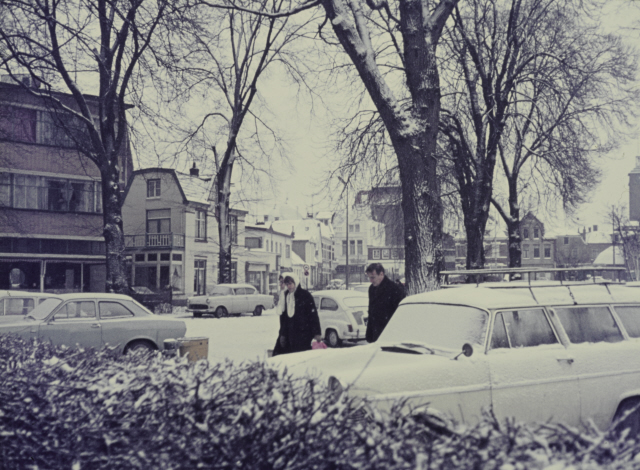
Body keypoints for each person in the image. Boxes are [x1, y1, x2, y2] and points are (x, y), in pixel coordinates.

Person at [274, 272, 322, 355]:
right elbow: (285, 319)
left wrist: (316, 333)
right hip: (290, 335)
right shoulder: (286, 296)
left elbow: (313, 316)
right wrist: (283, 334)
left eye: (290, 284)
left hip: (304, 334)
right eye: (287, 284)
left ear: (295, 282)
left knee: (301, 356)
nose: (289, 286)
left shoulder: (305, 295)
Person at [365, 263, 405, 343]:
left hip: (389, 334)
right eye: (369, 278)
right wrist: (369, 333)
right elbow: (371, 312)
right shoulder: (372, 289)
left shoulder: (394, 289)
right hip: (375, 334)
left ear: (381, 274)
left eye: (373, 277)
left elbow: (400, 314)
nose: (371, 280)